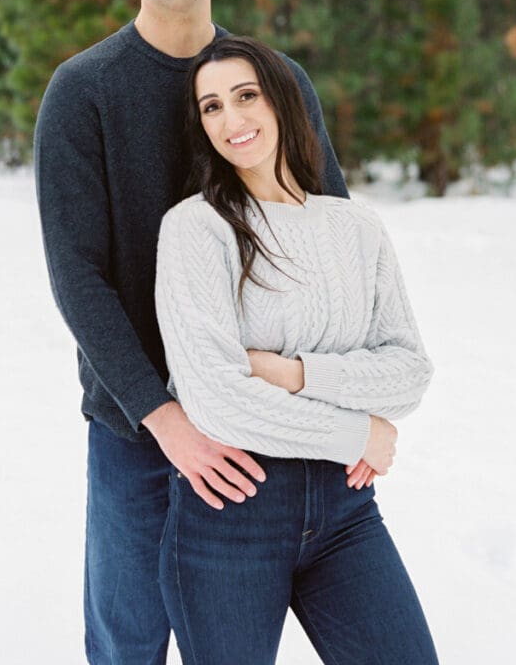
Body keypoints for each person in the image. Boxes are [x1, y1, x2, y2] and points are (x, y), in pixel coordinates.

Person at [33, 0, 351, 664]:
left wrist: (333, 398)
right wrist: (164, 420)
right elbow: (79, 278)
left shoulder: (276, 86)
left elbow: (334, 248)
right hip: (139, 432)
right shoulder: (82, 92)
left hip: (260, 426)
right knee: (128, 641)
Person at [155, 35, 438, 664]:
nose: (232, 119)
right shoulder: (195, 229)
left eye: (246, 96)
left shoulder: (356, 227)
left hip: (345, 515)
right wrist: (357, 433)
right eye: (212, 107)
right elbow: (218, 402)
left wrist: (290, 372)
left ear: (283, 101)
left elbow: (409, 372)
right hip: (232, 514)